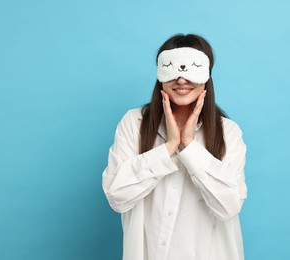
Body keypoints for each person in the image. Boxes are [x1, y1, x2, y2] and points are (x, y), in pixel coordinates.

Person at [102, 34, 248, 260]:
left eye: (192, 69)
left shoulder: (228, 132)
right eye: (172, 69)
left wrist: (189, 147)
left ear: (207, 75)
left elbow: (229, 206)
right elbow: (117, 196)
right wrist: (169, 147)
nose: (181, 79)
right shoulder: (133, 123)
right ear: (160, 74)